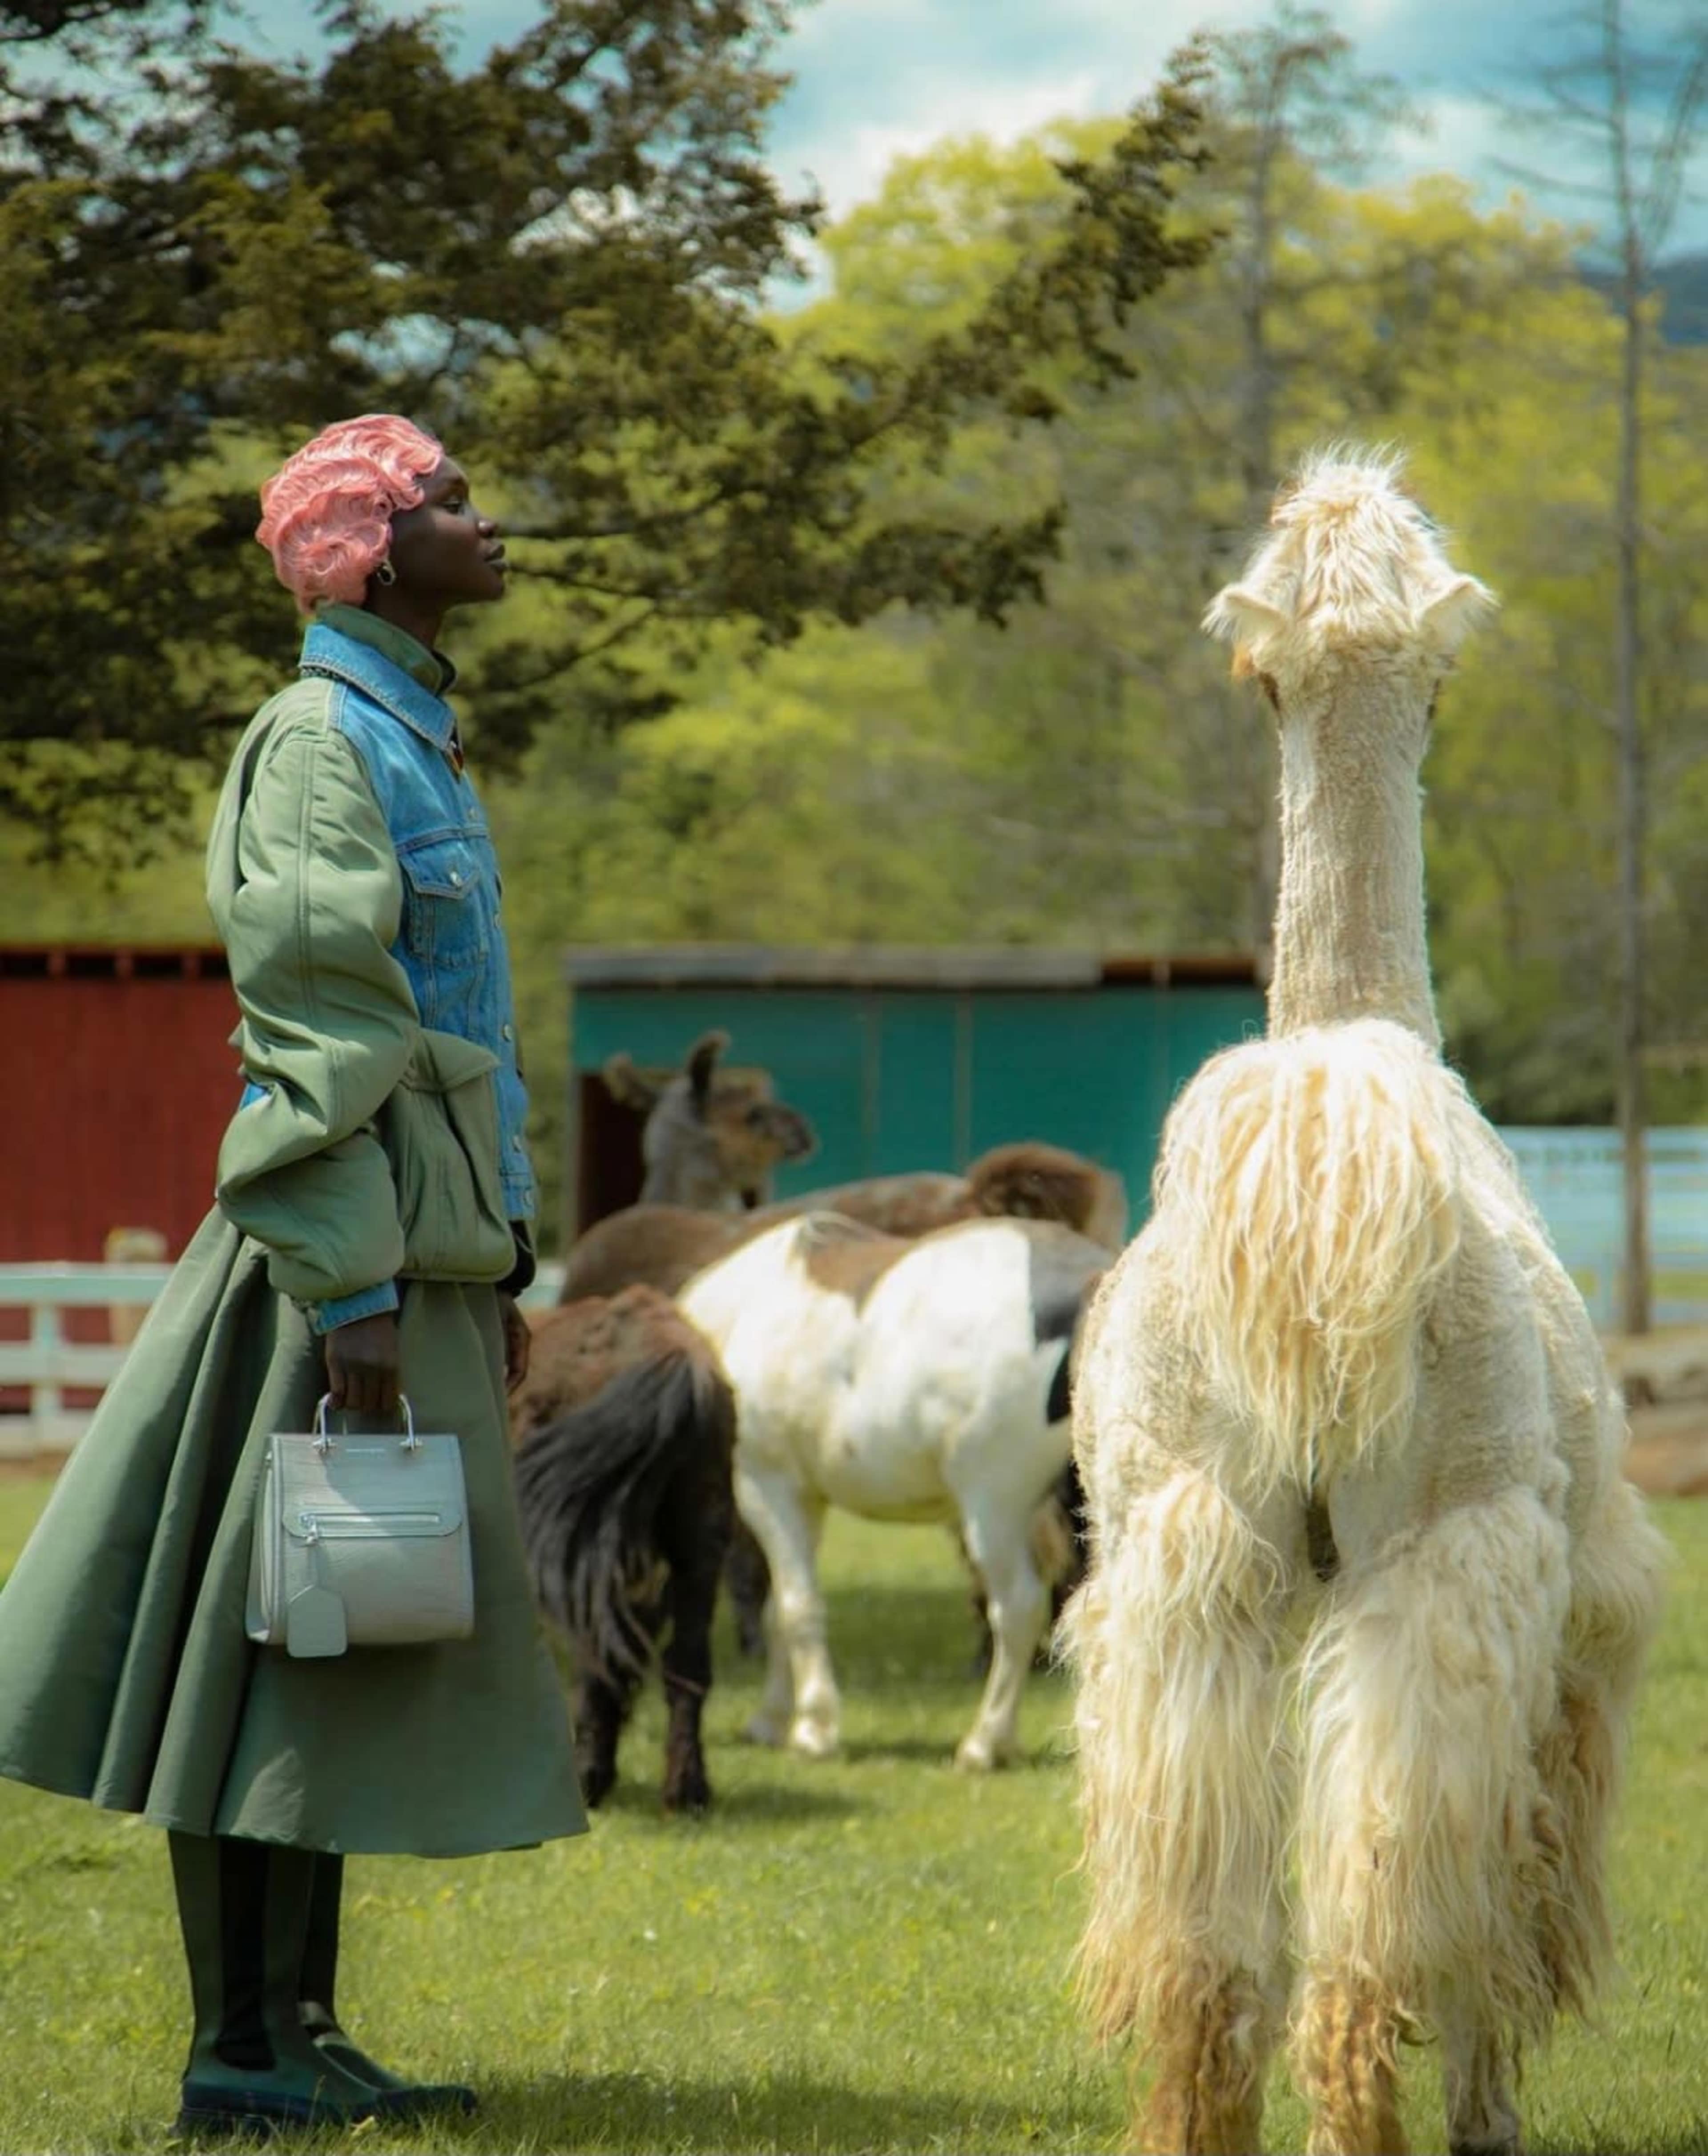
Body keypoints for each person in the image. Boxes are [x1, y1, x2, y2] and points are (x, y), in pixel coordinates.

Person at [0, 415, 586, 2135]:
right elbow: (319, 1026)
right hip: (330, 1268)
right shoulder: (326, 741)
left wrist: (494, 1258)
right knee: (268, 1649)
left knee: (334, 1638)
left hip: (414, 1254)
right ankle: (234, 2051)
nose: (496, 527)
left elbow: (450, 1033)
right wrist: (356, 1302)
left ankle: (299, 2028)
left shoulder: (413, 738)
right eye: (457, 503)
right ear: (367, 547)